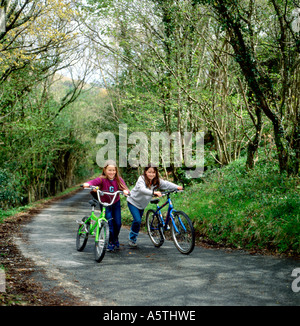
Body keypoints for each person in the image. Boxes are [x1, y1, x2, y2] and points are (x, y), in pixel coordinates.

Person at [127, 165, 183, 247]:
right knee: (137, 220)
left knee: (137, 222)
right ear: (145, 172)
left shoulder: (156, 181)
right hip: (133, 202)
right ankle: (132, 239)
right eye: (149, 172)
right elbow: (141, 189)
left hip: (142, 205)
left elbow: (166, 184)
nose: (151, 174)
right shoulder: (141, 179)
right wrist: (153, 193)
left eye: (153, 172)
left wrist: (177, 187)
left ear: (156, 173)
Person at [83, 160, 129, 251]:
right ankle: (110, 242)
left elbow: (125, 188)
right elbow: (92, 182)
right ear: (105, 170)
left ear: (116, 171)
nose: (112, 172)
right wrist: (88, 184)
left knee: (118, 223)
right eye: (109, 170)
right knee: (109, 223)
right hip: (105, 204)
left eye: (113, 170)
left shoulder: (118, 179)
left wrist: (126, 191)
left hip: (115, 202)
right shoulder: (101, 179)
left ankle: (115, 239)